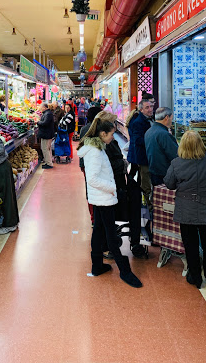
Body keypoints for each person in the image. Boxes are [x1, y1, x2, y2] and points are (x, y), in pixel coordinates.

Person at [77, 118, 142, 288]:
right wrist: (112, 187)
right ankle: (125, 272)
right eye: (111, 134)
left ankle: (97, 265)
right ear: (102, 133)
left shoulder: (97, 148)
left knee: (99, 231)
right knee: (111, 236)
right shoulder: (95, 152)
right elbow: (92, 179)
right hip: (103, 198)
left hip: (101, 197)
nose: (113, 137)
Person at [164, 131, 206, 289]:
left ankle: (195, 277)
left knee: (190, 245)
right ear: (201, 144)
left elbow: (169, 183)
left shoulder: (176, 163)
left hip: (186, 211)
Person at [96, 111, 147, 259]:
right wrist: (123, 163)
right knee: (122, 211)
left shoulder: (110, 142)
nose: (114, 127)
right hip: (113, 186)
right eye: (112, 124)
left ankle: (134, 239)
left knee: (135, 201)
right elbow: (106, 166)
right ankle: (115, 244)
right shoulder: (101, 144)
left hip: (120, 183)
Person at [79, 106, 102, 223]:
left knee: (90, 188)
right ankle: (97, 217)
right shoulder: (99, 130)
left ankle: (93, 217)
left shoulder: (84, 129)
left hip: (86, 164)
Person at [145, 107, 178, 186]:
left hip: (154, 171)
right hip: (164, 174)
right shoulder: (164, 134)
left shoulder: (149, 131)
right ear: (167, 117)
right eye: (171, 118)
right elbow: (175, 155)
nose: (171, 121)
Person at [127, 99, 153, 198]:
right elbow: (138, 140)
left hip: (147, 156)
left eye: (151, 106)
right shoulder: (138, 122)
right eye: (147, 107)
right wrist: (152, 142)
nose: (150, 109)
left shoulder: (150, 119)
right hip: (143, 157)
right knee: (145, 183)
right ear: (141, 109)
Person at [37, 103, 54, 169]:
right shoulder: (47, 113)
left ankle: (49, 163)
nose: (41, 109)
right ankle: (49, 162)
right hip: (47, 134)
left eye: (41, 107)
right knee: (47, 148)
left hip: (46, 134)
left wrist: (38, 122)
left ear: (44, 107)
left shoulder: (48, 114)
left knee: (45, 148)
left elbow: (45, 123)